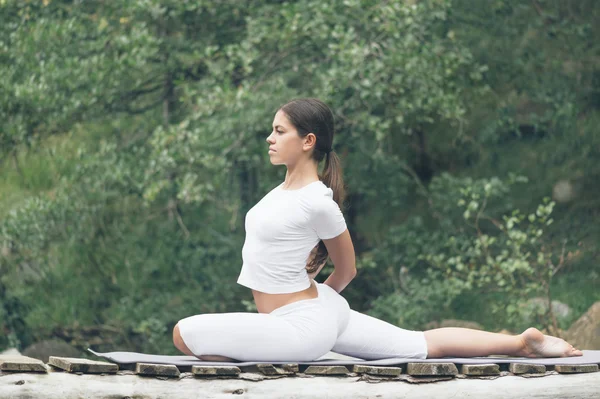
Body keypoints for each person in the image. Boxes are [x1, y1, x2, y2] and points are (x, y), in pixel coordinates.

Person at [172, 98, 583, 362]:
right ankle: (521, 342)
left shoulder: (317, 200)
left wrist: (312, 314)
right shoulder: (280, 191)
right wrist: (317, 309)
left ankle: (278, 351)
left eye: (279, 131)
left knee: (183, 334)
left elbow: (347, 270)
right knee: (420, 344)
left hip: (302, 325)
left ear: (308, 141)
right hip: (310, 314)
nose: (269, 137)